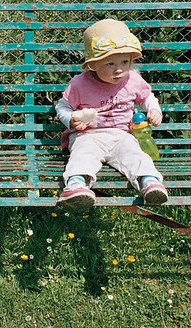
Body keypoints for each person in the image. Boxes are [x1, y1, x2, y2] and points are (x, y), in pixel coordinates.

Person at [55, 18, 167, 209]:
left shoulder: (133, 80)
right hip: (88, 134)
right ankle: (76, 186)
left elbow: (147, 97)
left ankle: (150, 183)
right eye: (110, 64)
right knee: (83, 154)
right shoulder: (79, 84)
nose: (119, 69)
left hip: (121, 135)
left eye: (125, 61)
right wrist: (71, 121)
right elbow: (62, 107)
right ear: (93, 65)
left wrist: (154, 109)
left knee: (136, 154)